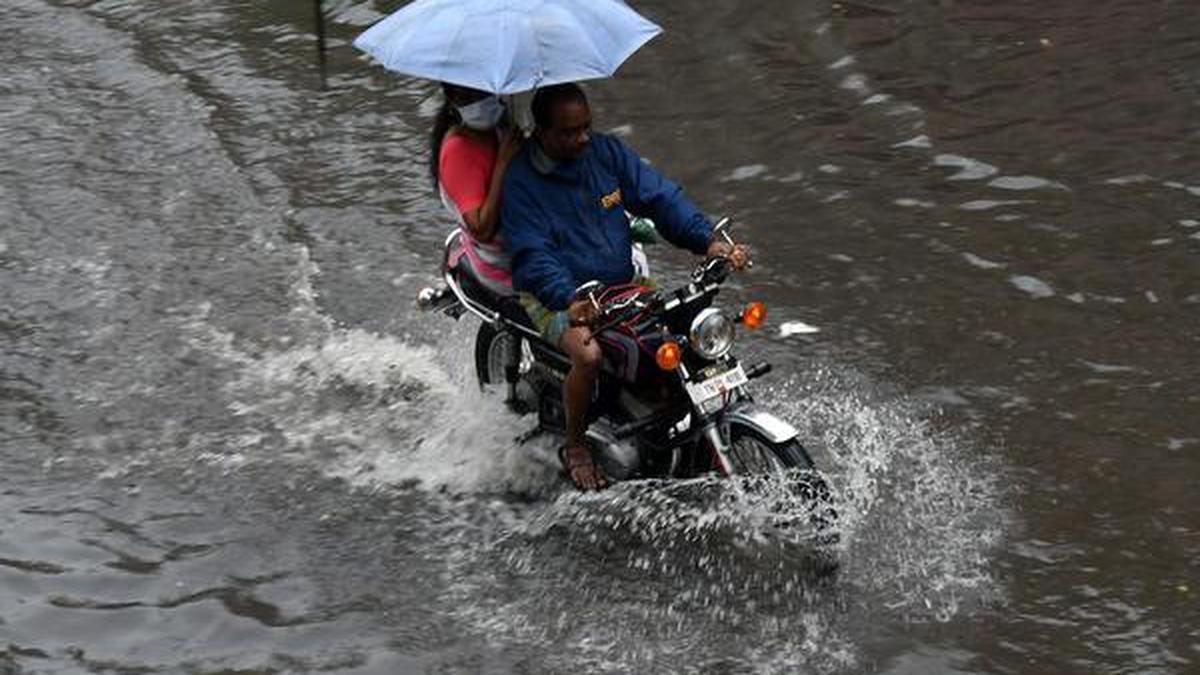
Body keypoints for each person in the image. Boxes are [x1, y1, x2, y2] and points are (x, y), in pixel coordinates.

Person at [500, 83, 749, 491]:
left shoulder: (605, 154)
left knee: (679, 334)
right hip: (558, 295)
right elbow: (533, 254)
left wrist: (708, 240)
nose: (582, 138)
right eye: (568, 132)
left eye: (586, 127)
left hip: (622, 282)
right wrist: (570, 300)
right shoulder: (522, 182)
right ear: (541, 132)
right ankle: (577, 447)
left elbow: (660, 197)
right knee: (589, 352)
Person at [431, 82, 522, 296]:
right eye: (470, 96)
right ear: (452, 97)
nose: (481, 102)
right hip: (502, 264)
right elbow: (482, 229)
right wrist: (503, 162)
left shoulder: (502, 131)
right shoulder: (458, 149)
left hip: (526, 241)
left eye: (485, 93)